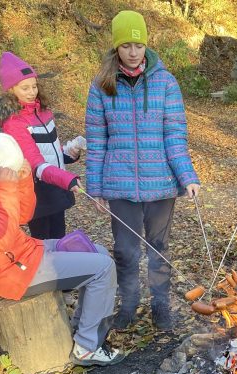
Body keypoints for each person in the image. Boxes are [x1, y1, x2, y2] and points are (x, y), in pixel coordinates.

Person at [0, 133, 123, 366]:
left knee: (98, 252)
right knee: (103, 268)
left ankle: (82, 328)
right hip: (12, 274)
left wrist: (21, 182)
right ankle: (87, 347)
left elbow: (22, 216)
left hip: (25, 253)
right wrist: (6, 188)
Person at [85, 10, 201, 331]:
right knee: (125, 250)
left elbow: (174, 135)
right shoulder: (102, 85)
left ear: (146, 45)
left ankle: (160, 305)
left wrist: (187, 176)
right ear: (116, 47)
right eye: (126, 46)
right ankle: (129, 303)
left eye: (139, 45)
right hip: (120, 184)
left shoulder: (165, 82)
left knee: (158, 249)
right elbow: (97, 140)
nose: (133, 52)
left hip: (160, 184)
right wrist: (95, 187)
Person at [0, 51, 84, 240]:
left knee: (59, 237)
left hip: (55, 184)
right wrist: (66, 179)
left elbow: (49, 149)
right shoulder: (14, 122)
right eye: (25, 88)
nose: (32, 92)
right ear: (11, 90)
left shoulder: (43, 112)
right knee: (43, 242)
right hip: (37, 191)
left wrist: (69, 152)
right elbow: (34, 162)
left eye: (34, 86)